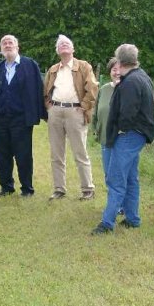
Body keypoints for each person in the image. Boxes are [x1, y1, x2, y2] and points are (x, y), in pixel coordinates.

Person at [91, 44, 154, 235]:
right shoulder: (141, 76)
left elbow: (127, 114)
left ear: (119, 61)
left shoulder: (130, 82)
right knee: (130, 178)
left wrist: (119, 131)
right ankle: (133, 218)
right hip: (138, 134)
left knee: (116, 179)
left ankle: (107, 223)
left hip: (129, 135)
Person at [0, 34, 46, 197]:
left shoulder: (30, 65)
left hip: (21, 119)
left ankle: (27, 188)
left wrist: (41, 113)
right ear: (1, 49)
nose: (7, 45)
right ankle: (6, 187)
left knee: (23, 155)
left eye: (11, 42)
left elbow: (39, 89)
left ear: (17, 47)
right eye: (4, 43)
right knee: (2, 155)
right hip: (1, 120)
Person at [44, 35, 98, 201]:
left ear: (73, 49)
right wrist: (49, 107)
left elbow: (93, 88)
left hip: (75, 112)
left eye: (67, 44)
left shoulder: (83, 66)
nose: (64, 46)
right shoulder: (53, 69)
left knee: (80, 152)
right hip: (56, 111)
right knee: (56, 153)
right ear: (57, 51)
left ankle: (88, 189)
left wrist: (83, 106)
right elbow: (45, 91)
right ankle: (59, 189)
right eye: (60, 45)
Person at [92, 58, 120, 182]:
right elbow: (96, 112)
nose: (117, 72)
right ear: (110, 72)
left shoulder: (128, 89)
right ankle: (112, 200)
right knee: (108, 174)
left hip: (122, 140)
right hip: (105, 138)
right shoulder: (103, 89)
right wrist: (96, 129)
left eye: (120, 69)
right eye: (114, 69)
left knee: (120, 175)